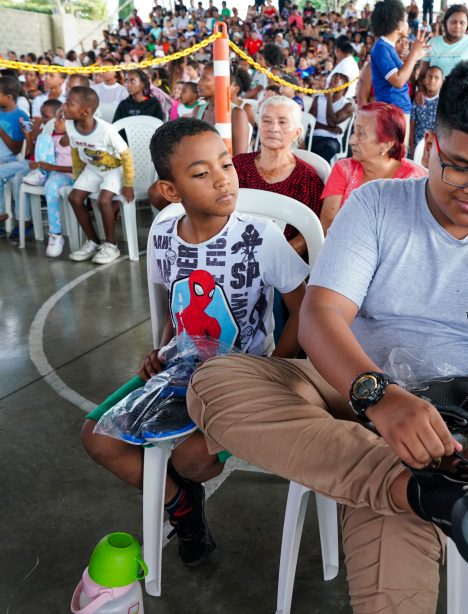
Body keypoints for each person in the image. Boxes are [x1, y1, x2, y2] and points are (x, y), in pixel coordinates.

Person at [187, 59, 468, 612]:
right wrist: (380, 398)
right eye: (460, 168)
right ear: (430, 148)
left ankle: (419, 485)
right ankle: (423, 492)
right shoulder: (376, 204)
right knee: (214, 383)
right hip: (350, 387)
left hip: (451, 431)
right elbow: (321, 315)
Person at [81, 117, 309, 567]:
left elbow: (305, 310)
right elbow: (177, 306)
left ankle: (177, 489)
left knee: (191, 460)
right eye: (202, 173)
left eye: (226, 164)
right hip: (179, 368)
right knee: (97, 439)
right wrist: (161, 349)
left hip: (241, 376)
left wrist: (274, 368)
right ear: (171, 190)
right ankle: (181, 505)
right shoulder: (164, 236)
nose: (223, 179)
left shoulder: (259, 237)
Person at [233, 96, 324, 258]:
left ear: (297, 132)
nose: (273, 128)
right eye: (266, 121)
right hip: (233, 252)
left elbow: (309, 234)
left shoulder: (306, 178)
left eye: (282, 122)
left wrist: (270, 258)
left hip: (283, 261)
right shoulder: (239, 165)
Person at [320, 102, 426, 231]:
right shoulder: (344, 168)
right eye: (354, 131)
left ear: (386, 145)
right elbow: (327, 224)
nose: (351, 141)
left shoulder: (413, 180)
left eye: (361, 133)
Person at [64, 86, 135, 265]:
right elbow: (75, 152)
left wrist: (128, 183)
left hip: (114, 169)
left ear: (86, 111)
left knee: (104, 200)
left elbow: (126, 155)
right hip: (92, 168)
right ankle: (93, 241)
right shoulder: (69, 125)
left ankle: (111, 245)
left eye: (69, 104)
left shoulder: (106, 130)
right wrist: (78, 177)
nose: (64, 107)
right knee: (74, 197)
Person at [20, 104, 74, 258]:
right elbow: (46, 158)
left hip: (70, 175)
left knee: (51, 185)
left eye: (59, 119)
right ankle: (41, 173)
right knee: (42, 137)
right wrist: (39, 164)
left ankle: (55, 234)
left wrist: (53, 167)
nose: (55, 122)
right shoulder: (52, 137)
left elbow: (78, 169)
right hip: (53, 173)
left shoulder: (77, 139)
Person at [369, 0, 430, 126]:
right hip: (392, 111)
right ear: (398, 25)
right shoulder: (381, 48)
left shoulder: (387, 47)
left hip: (398, 109)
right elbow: (398, 81)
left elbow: (404, 76)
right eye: (406, 21)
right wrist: (413, 54)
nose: (408, 25)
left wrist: (415, 56)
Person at [419, 5, 468, 81]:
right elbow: (422, 75)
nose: (457, 26)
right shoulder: (432, 43)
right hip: (435, 89)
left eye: (462, 23)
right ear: (446, 22)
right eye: (453, 22)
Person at [0, 76, 30, 228]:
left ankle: (5, 215)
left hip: (11, 161)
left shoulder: (20, 117)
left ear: (9, 97)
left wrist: (1, 131)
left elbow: (16, 149)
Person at [310, 73, 356, 163]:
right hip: (314, 136)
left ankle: (320, 170)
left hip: (332, 140)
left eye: (335, 81)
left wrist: (329, 99)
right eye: (331, 81)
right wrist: (330, 128)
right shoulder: (318, 98)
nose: (331, 83)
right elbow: (311, 123)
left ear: (344, 86)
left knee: (326, 147)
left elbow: (331, 122)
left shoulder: (348, 105)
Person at [410, 65, 442, 154]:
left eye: (436, 78)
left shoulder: (443, 104)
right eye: (429, 76)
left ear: (442, 82)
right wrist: (412, 149)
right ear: (424, 81)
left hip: (435, 150)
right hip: (417, 147)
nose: (432, 80)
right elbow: (411, 127)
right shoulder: (418, 100)